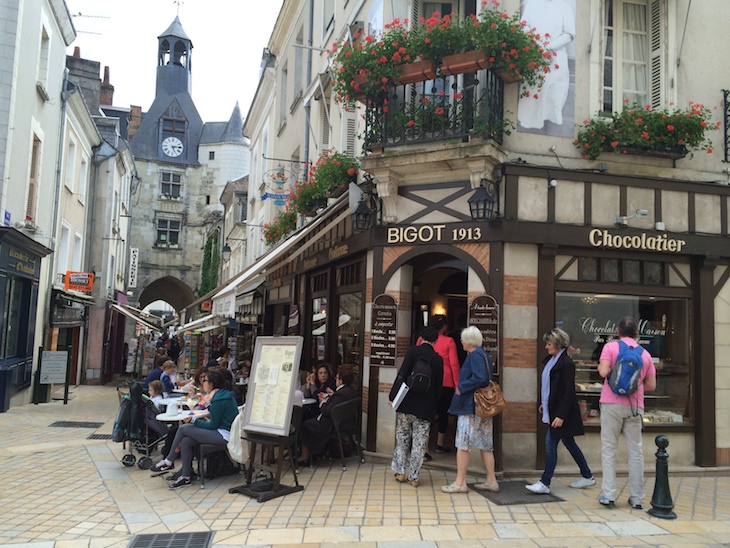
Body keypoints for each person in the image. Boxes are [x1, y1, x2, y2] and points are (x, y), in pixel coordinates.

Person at [526, 328, 595, 495]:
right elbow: (549, 386)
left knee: (550, 444)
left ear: (557, 344)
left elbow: (568, 392)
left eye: (549, 344)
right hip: (555, 410)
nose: (546, 347)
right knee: (569, 443)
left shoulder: (566, 364)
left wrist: (561, 415)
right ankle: (587, 475)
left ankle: (545, 482)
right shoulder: (553, 360)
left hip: (560, 413)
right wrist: (545, 404)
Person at [597, 316, 657, 508]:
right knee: (635, 452)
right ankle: (637, 498)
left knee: (608, 449)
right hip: (634, 406)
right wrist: (634, 385)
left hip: (610, 403)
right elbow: (652, 385)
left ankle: (609, 494)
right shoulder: (645, 354)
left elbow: (603, 372)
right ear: (637, 334)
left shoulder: (610, 347)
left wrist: (605, 368)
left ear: (618, 332)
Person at [151, 369, 239, 488]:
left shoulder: (219, 399)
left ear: (211, 384)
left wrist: (194, 420)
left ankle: (168, 460)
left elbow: (213, 425)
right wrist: (206, 403)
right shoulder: (220, 395)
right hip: (222, 431)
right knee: (186, 441)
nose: (203, 382)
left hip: (224, 434)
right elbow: (215, 415)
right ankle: (185, 476)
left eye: (205, 380)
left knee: (184, 429)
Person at [442, 326, 499, 493]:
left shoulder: (474, 356)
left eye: (463, 339)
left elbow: (480, 378)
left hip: (471, 406)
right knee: (485, 444)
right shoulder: (483, 355)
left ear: (469, 341)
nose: (461, 342)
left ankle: (460, 482)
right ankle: (491, 480)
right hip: (483, 407)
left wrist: (462, 386)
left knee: (463, 445)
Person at [389, 326, 443, 487]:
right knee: (419, 442)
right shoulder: (437, 359)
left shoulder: (412, 352)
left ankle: (400, 471)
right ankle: (414, 477)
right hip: (425, 408)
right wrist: (435, 407)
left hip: (407, 403)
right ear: (435, 341)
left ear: (421, 338)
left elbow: (402, 374)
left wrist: (393, 396)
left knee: (403, 437)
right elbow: (438, 387)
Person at [517, 0, 576, 134]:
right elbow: (524, 27)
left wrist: (548, 48)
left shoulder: (564, 6)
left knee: (553, 98)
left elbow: (569, 34)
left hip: (555, 58)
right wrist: (536, 45)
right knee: (532, 96)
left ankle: (551, 135)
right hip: (534, 56)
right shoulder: (531, 3)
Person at [297, 365, 358, 467]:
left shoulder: (341, 393)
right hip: (343, 422)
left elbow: (327, 411)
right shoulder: (350, 391)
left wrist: (323, 402)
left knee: (304, 425)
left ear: (341, 380)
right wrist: (332, 396)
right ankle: (313, 452)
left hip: (331, 424)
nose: (336, 380)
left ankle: (305, 455)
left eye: (337, 378)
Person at [430, 315, 460, 453]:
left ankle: (424, 446)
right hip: (445, 382)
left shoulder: (422, 339)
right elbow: (454, 364)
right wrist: (457, 384)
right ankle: (439, 443)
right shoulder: (449, 341)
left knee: (428, 412)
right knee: (443, 413)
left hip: (427, 382)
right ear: (444, 326)